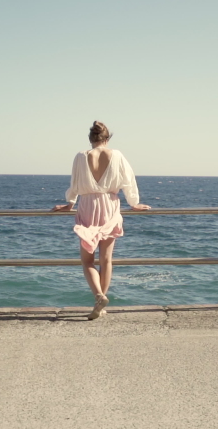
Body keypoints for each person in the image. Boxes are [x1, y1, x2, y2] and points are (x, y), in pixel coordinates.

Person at [52, 121, 151, 319]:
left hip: (87, 205)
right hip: (109, 205)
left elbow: (75, 183)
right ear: (107, 139)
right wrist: (134, 203)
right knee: (106, 260)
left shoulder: (81, 156)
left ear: (91, 139)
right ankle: (102, 302)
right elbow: (128, 181)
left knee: (87, 259)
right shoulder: (117, 155)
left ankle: (98, 295)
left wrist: (69, 203)